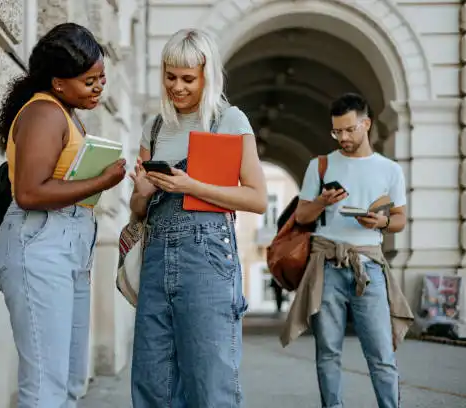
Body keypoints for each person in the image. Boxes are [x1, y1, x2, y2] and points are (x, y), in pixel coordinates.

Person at [128, 28, 268, 407]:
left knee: (210, 382)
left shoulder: (228, 121)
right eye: (170, 76)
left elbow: (257, 198)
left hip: (207, 256)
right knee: (152, 382)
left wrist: (191, 186)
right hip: (156, 255)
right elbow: (138, 211)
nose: (177, 87)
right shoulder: (154, 127)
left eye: (188, 78)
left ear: (208, 76)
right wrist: (141, 195)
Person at [0, 23, 126, 408]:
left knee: (67, 382)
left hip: (66, 244)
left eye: (101, 78)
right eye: (89, 81)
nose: (99, 88)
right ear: (58, 82)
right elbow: (30, 192)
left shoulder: (64, 112)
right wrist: (101, 181)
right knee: (45, 385)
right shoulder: (45, 114)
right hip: (40, 243)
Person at [282, 93, 414, 408]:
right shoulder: (321, 166)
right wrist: (321, 202)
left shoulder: (390, 169)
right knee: (327, 350)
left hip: (368, 265)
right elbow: (301, 217)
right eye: (337, 131)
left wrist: (381, 222)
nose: (343, 137)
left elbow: (400, 221)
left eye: (349, 129)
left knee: (381, 350)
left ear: (366, 124)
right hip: (326, 264)